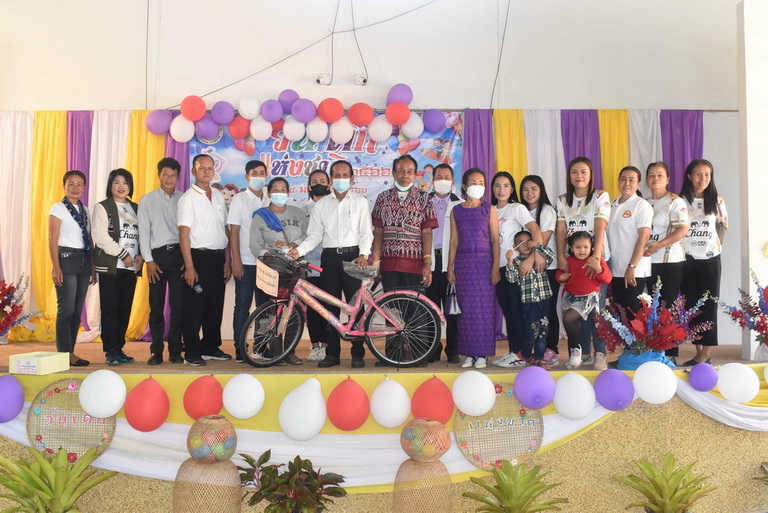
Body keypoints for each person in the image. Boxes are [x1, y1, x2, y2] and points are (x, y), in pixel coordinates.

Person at [290, 160, 373, 368]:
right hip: (329, 258)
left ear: (352, 178)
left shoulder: (360, 202)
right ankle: (332, 353)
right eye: (337, 175)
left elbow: (366, 232)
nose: (341, 179)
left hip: (354, 258)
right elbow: (314, 236)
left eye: (345, 175)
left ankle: (357, 354)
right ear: (331, 180)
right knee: (329, 307)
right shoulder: (321, 205)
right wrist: (299, 251)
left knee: (356, 306)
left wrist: (364, 254)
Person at [555, 156, 611, 367]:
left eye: (583, 172)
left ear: (591, 175)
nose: (579, 176)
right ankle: (584, 352)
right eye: (574, 172)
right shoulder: (562, 200)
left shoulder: (600, 196)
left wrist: (596, 258)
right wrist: (561, 256)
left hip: (595, 259)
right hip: (573, 261)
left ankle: (600, 353)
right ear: (569, 176)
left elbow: (600, 226)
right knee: (578, 310)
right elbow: (561, 230)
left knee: (596, 310)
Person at [178, 154, 232, 366]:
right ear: (193, 171)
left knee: (214, 305)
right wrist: (189, 267)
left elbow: (224, 229)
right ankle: (191, 351)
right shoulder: (187, 199)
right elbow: (183, 234)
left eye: (210, 168)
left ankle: (210, 346)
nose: (207, 171)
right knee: (194, 307)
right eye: (202, 168)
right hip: (197, 258)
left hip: (218, 258)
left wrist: (227, 260)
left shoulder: (217, 195)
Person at [249, 177, 307, 365]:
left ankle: (290, 352)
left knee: (295, 309)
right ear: (269, 193)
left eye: (283, 190)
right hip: (272, 268)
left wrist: (294, 245)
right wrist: (269, 254)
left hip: (295, 266)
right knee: (275, 309)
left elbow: (308, 235)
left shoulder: (298, 213)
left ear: (288, 193)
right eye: (276, 190)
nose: (279, 193)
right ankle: (276, 353)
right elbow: (254, 244)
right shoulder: (261, 216)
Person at [447, 168, 500, 369]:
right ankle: (469, 353)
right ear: (464, 186)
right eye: (473, 182)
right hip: (463, 265)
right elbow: (453, 242)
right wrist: (450, 268)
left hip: (484, 263)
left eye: (481, 183)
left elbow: (495, 240)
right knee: (466, 310)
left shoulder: (489, 209)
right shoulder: (456, 211)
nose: (478, 186)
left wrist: (495, 267)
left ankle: (482, 354)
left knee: (484, 309)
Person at [490, 171, 544, 368]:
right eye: (497, 185)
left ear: (512, 189)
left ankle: (521, 354)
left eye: (506, 185)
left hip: (515, 268)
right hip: (498, 267)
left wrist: (533, 257)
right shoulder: (490, 210)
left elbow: (535, 230)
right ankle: (514, 351)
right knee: (508, 311)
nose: (501, 189)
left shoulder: (516, 208)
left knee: (517, 311)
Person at [680, 159, 728, 366]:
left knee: (709, 305)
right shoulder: (681, 201)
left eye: (707, 175)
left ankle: (706, 353)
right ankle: (698, 352)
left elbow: (722, 227)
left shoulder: (717, 200)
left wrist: (716, 248)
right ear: (690, 176)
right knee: (692, 306)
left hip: (710, 260)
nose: (703, 179)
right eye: (699, 174)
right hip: (687, 260)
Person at [137, 157, 184, 366]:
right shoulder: (147, 200)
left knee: (178, 307)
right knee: (156, 307)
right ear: (159, 175)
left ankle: (175, 350)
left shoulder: (184, 199)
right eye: (165, 174)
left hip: (179, 257)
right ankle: (156, 351)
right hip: (157, 258)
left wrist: (187, 260)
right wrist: (149, 260)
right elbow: (143, 233)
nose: (169, 178)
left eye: (173, 175)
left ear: (178, 177)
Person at [92, 168, 141, 366]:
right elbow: (100, 237)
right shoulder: (102, 207)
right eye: (116, 182)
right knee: (110, 309)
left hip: (131, 268)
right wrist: (123, 255)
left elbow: (143, 234)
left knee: (124, 309)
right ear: (110, 185)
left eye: (125, 182)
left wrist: (140, 255)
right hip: (112, 266)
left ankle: (119, 348)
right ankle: (110, 350)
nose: (121, 187)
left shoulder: (136, 208)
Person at [48, 170, 95, 367]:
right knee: (66, 309)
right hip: (66, 258)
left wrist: (92, 266)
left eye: (79, 184)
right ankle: (64, 354)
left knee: (76, 311)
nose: (75, 188)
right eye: (71, 184)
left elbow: (89, 239)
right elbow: (52, 239)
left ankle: (71, 352)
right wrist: (56, 267)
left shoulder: (85, 210)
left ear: (84, 187)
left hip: (83, 259)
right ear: (64, 186)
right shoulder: (58, 208)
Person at [371, 154, 438, 292]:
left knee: (413, 303)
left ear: (415, 175)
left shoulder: (424, 198)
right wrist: (376, 261)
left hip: (414, 266)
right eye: (401, 171)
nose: (405, 175)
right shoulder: (383, 198)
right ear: (394, 174)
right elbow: (378, 231)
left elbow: (427, 232)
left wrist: (427, 264)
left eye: (409, 172)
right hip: (388, 265)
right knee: (391, 303)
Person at [227, 160, 269, 362]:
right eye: (255, 173)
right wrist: (236, 260)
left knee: (264, 307)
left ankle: (261, 346)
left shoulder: (270, 201)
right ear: (247, 177)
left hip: (267, 265)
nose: (259, 176)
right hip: (245, 262)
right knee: (242, 305)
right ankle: (240, 347)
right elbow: (233, 231)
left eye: (262, 173)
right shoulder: (239, 199)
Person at [519, 175, 561, 366]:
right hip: (529, 270)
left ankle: (551, 348)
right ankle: (532, 351)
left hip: (546, 268)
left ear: (541, 190)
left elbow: (542, 239)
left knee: (548, 310)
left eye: (533, 188)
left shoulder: (547, 210)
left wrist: (530, 260)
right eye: (525, 189)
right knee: (531, 313)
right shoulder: (522, 211)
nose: (529, 193)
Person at [556, 231, 612, 370]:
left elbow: (607, 279)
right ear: (571, 248)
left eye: (585, 247)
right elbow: (559, 274)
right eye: (578, 247)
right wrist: (561, 277)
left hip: (590, 299)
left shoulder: (596, 260)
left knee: (591, 324)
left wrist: (598, 268)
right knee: (572, 323)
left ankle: (592, 353)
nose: (582, 250)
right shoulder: (568, 261)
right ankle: (579, 353)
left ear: (592, 247)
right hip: (571, 297)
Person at [425, 163, 461, 364]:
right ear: (432, 180)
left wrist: (454, 266)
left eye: (446, 177)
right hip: (429, 261)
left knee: (451, 310)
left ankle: (453, 350)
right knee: (430, 309)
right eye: (439, 177)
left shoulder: (460, 204)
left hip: (451, 262)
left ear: (453, 181)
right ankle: (433, 348)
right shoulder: (423, 201)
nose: (442, 181)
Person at [505, 231, 555, 369]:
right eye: (521, 243)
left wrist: (537, 245)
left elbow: (551, 255)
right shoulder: (517, 262)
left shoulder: (540, 258)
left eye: (528, 241)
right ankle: (526, 354)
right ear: (515, 246)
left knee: (543, 331)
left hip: (544, 301)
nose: (526, 245)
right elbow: (511, 279)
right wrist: (509, 262)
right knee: (533, 330)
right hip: (529, 303)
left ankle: (539, 358)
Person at [607, 166, 653, 312]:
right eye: (623, 179)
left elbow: (644, 237)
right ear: (618, 181)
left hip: (634, 270)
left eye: (631, 180)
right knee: (620, 314)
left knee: (634, 315)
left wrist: (632, 266)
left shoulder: (641, 205)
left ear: (638, 184)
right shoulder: (611, 205)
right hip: (615, 269)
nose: (627, 183)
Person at [302, 169, 332, 362]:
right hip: (310, 266)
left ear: (329, 185)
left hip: (330, 265)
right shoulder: (303, 210)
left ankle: (327, 347)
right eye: (315, 181)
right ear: (309, 186)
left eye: (322, 180)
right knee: (312, 308)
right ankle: (315, 346)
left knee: (328, 308)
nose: (319, 184)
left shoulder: (334, 207)